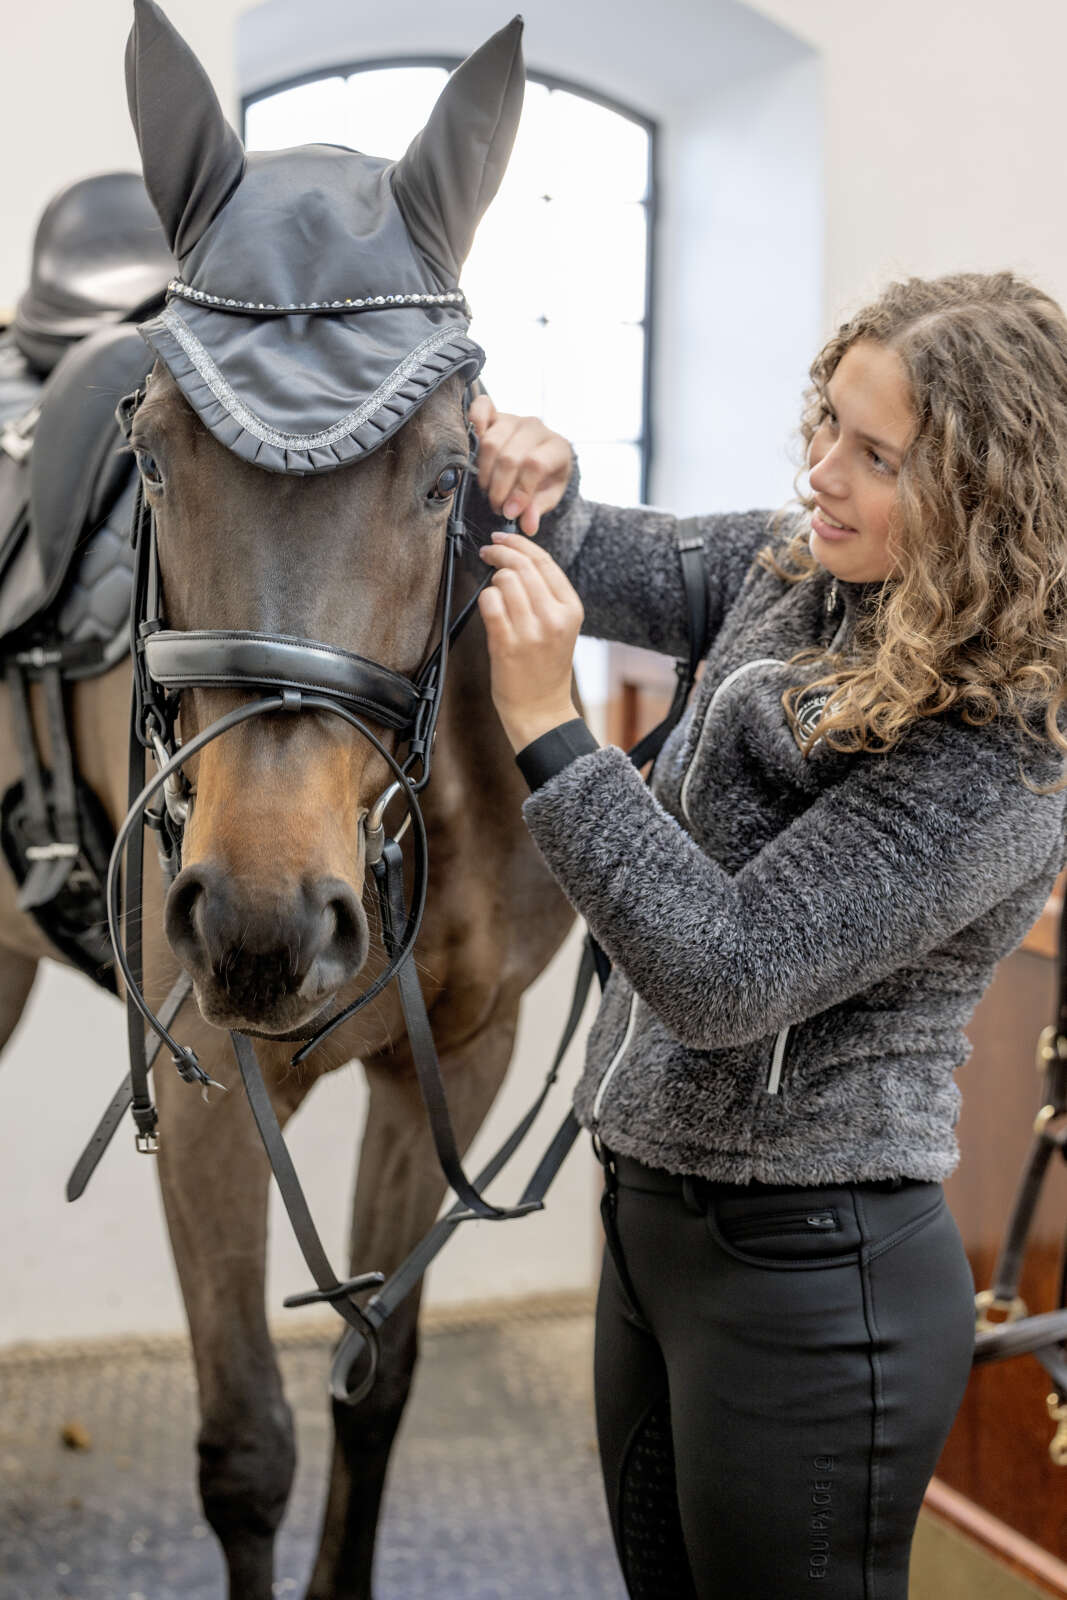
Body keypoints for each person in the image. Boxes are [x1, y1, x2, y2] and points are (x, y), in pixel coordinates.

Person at [467, 271, 1067, 1600]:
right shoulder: (794, 572)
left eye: (876, 457)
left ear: (987, 499)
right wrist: (512, 462)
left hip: (811, 1276)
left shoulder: (1004, 748)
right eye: (827, 424)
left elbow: (725, 975)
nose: (821, 473)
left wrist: (549, 728)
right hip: (650, 1225)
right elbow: (582, 546)